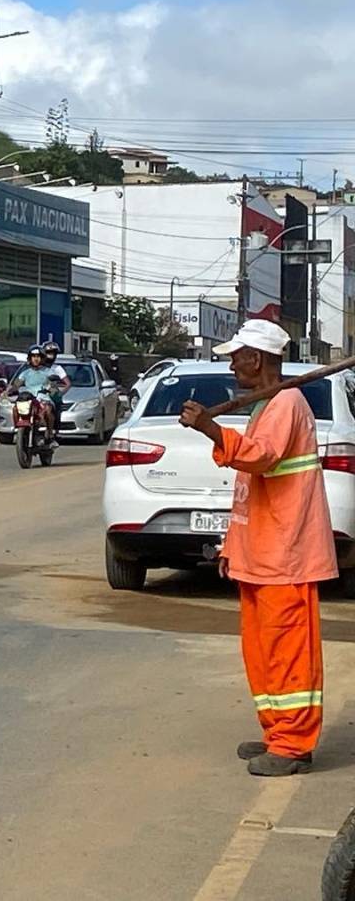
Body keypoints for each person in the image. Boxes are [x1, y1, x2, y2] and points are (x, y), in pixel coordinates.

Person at [178, 318, 337, 776]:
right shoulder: (267, 405)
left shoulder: (286, 403)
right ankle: (277, 732)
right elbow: (252, 486)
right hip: (262, 552)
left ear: (258, 359)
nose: (232, 366)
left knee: (288, 653)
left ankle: (293, 743)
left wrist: (210, 430)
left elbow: (261, 458)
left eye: (237, 357)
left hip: (287, 553)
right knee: (264, 651)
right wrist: (234, 548)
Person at [7, 345, 63, 442]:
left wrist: (52, 389)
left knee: (48, 410)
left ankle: (50, 433)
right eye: (33, 356)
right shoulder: (25, 373)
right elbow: (16, 384)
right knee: (16, 408)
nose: (36, 359)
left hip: (44, 399)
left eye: (38, 356)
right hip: (28, 399)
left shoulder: (48, 372)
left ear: (42, 358)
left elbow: (53, 384)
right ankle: (18, 431)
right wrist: (10, 390)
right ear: (30, 358)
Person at [41, 340, 70, 434]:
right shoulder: (37, 367)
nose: (51, 355)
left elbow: (67, 383)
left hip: (50, 396)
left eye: (53, 353)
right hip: (36, 394)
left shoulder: (57, 368)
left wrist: (59, 393)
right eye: (49, 353)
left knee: (50, 410)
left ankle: (51, 432)